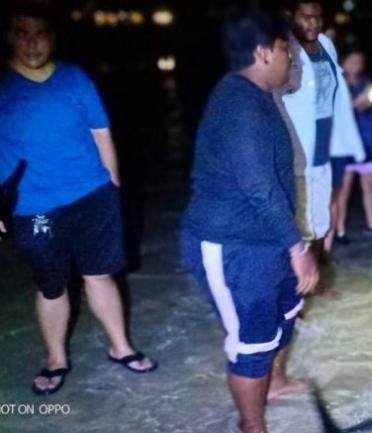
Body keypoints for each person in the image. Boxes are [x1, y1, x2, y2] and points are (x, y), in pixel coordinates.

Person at [0, 5, 157, 396]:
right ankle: (55, 359)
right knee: (51, 285)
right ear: (9, 37)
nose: (32, 42)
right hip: (35, 208)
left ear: (53, 37)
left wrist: (112, 188)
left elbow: (101, 132)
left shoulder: (75, 78)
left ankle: (120, 347)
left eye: (40, 32)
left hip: (92, 196)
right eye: (22, 32)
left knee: (99, 274)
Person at [179, 11, 318, 433]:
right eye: (286, 50)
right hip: (232, 244)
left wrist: (290, 241)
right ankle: (252, 424)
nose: (292, 59)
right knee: (252, 339)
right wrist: (298, 248)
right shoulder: (239, 104)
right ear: (263, 52)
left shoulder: (256, 94)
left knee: (287, 309)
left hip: (267, 235)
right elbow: (259, 188)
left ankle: (275, 383)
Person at [281, 1, 365, 256]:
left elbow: (337, 98)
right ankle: (298, 272)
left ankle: (316, 266)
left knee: (320, 216)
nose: (313, 23)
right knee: (299, 219)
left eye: (317, 17)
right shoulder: (284, 49)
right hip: (296, 148)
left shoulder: (326, 45)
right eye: (305, 17)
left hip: (326, 143)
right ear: (291, 16)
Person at [331, 49, 372, 244]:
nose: (357, 65)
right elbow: (338, 110)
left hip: (368, 140)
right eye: (353, 61)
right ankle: (339, 229)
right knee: (343, 188)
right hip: (345, 143)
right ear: (343, 61)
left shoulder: (367, 82)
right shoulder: (335, 81)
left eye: (360, 61)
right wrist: (356, 103)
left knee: (370, 185)